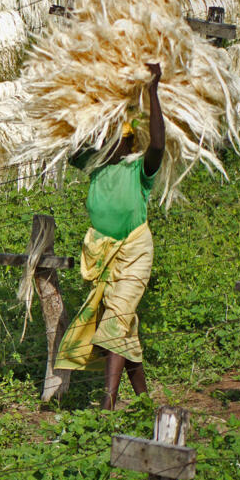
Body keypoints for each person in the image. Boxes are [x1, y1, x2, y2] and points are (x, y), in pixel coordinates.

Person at [54, 63, 165, 410]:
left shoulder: (138, 170)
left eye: (117, 137)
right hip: (103, 255)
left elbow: (159, 145)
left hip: (134, 251)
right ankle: (145, 400)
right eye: (107, 136)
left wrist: (152, 90)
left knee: (115, 321)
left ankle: (108, 403)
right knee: (123, 326)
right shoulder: (95, 167)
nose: (110, 142)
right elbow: (69, 144)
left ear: (130, 140)